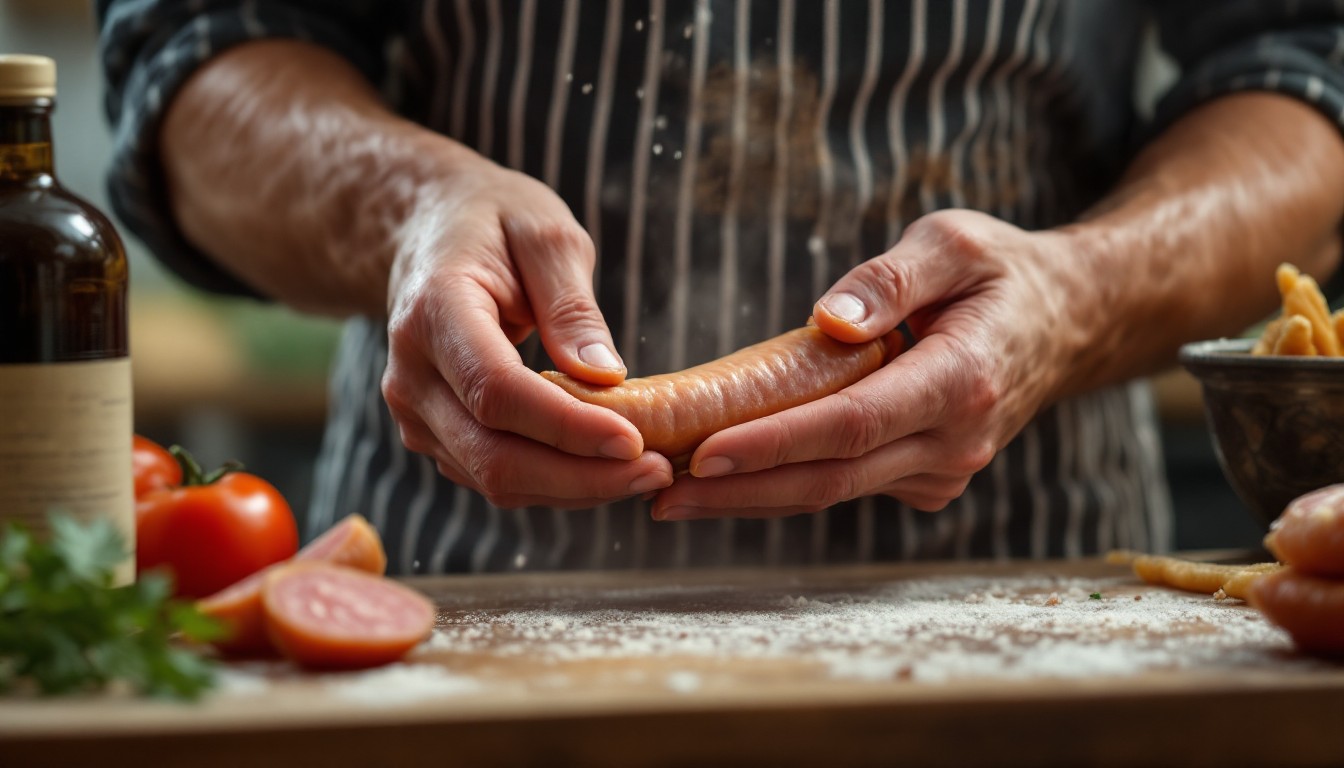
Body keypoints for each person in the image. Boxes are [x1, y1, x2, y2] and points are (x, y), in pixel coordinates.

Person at [98, 1, 1344, 574]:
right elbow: (197, 54)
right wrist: (405, 206)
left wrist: (1077, 294)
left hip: (1025, 600)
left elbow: (1303, 69)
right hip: (466, 599)